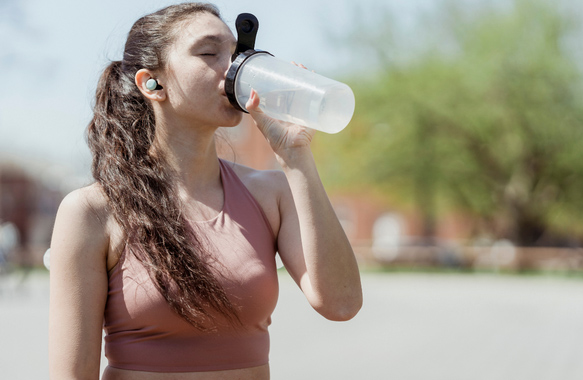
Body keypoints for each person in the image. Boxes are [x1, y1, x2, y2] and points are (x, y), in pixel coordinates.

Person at [48, 3, 362, 379]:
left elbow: (341, 303)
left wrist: (296, 156)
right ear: (152, 83)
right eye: (209, 53)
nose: (232, 68)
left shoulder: (271, 192)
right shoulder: (93, 211)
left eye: (235, 53)